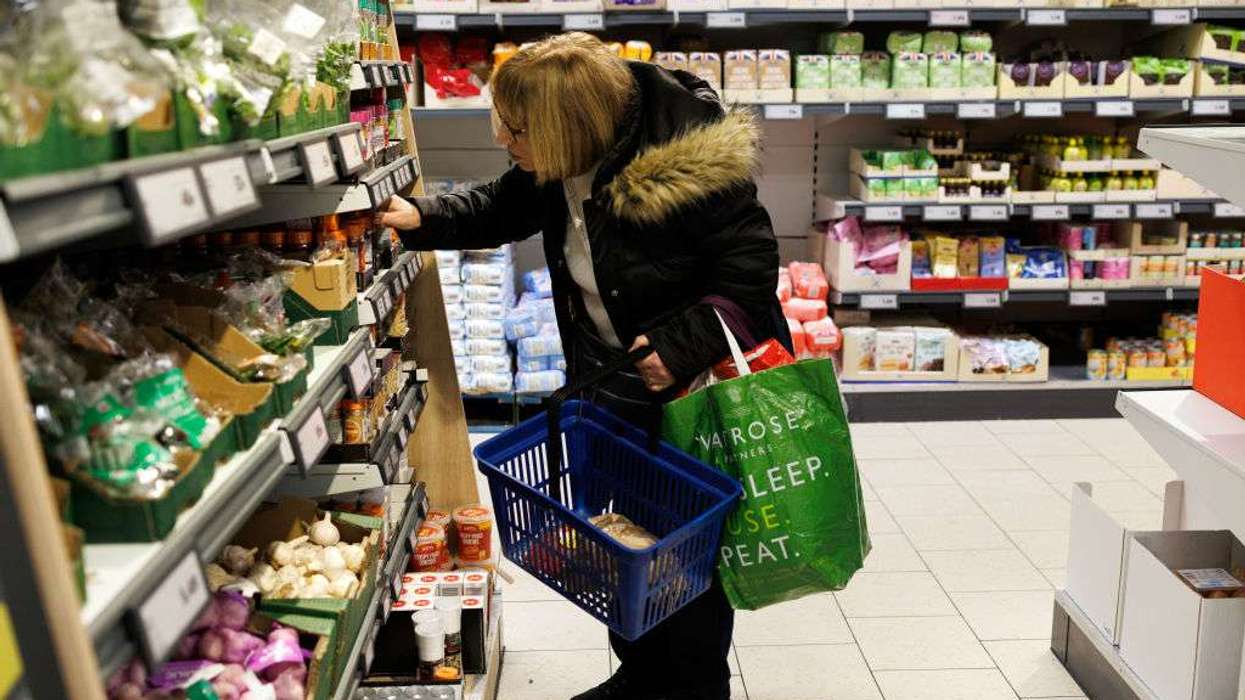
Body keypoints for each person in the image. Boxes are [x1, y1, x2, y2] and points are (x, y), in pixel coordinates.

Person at [378, 32, 789, 700]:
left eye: (516, 131)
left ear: (565, 127)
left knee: (683, 559)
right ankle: (641, 678)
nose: (505, 142)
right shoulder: (564, 157)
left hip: (690, 390)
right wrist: (418, 215)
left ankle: (691, 689)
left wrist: (679, 348)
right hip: (614, 378)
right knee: (624, 543)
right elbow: (502, 204)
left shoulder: (691, 168)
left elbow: (749, 275)